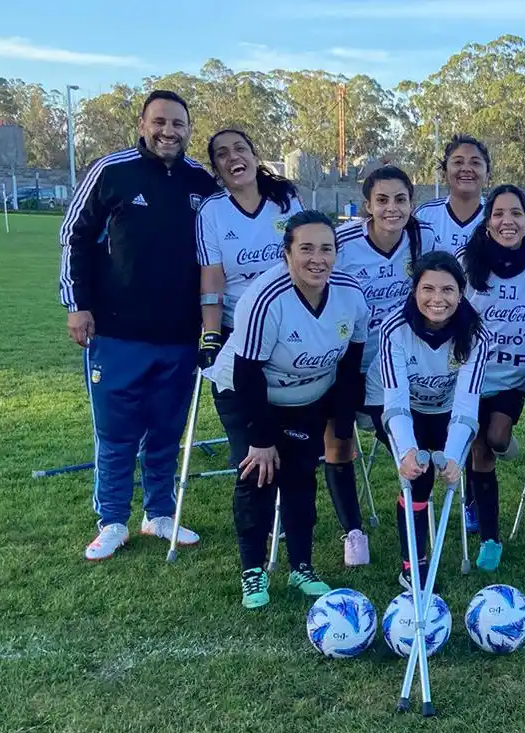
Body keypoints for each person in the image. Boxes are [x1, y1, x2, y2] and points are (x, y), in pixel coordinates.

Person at [59, 89, 219, 561]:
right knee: (117, 434)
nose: (168, 131)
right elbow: (74, 236)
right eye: (160, 122)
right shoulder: (112, 171)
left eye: (178, 124)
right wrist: (76, 304)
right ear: (142, 124)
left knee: (167, 430)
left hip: (178, 334)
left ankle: (159, 513)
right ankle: (111, 521)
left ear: (189, 130)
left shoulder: (201, 183)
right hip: (115, 332)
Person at [207, 210, 369, 608]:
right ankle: (253, 572)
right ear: (287, 253)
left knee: (300, 476)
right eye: (306, 249)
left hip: (304, 398)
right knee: (259, 475)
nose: (318, 259)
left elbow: (350, 364)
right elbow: (247, 372)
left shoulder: (350, 295)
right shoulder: (265, 299)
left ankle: (302, 567)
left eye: (327, 249)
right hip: (247, 392)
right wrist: (261, 440)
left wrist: (342, 423)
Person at [325, 165, 436, 566]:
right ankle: (353, 531)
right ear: (367, 206)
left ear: (412, 202)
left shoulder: (424, 239)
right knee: (338, 442)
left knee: (413, 454)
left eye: (401, 199)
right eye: (382, 200)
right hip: (345, 360)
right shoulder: (343, 243)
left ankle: (415, 542)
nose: (392, 208)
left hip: (398, 369)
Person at [365, 251, 489, 590]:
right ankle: (412, 564)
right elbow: (396, 401)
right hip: (395, 406)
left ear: (460, 293)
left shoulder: (477, 335)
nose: (438, 299)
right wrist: (407, 451)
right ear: (414, 291)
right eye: (428, 289)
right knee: (418, 475)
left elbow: (466, 404)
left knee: (440, 465)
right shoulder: (394, 330)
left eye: (448, 290)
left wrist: (453, 455)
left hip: (445, 408)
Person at [456, 184, 525, 571]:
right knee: (480, 448)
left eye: (516, 213)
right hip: (473, 373)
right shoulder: (467, 262)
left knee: (496, 438)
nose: (508, 221)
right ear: (487, 223)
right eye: (499, 213)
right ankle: (489, 538)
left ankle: (477, 491)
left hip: (518, 375)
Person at [196, 127, 303, 473]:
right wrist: (211, 335)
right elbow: (212, 277)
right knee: (246, 430)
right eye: (222, 154)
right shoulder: (211, 212)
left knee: (292, 427)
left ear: (255, 157)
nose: (233, 158)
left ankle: (289, 502)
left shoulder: (285, 202)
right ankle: (254, 490)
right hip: (237, 330)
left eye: (240, 149)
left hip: (288, 325)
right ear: (217, 169)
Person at [415, 135, 491, 254]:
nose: (466, 168)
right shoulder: (423, 215)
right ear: (445, 172)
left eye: (475, 163)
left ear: (487, 174)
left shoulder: (497, 216)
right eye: (458, 162)